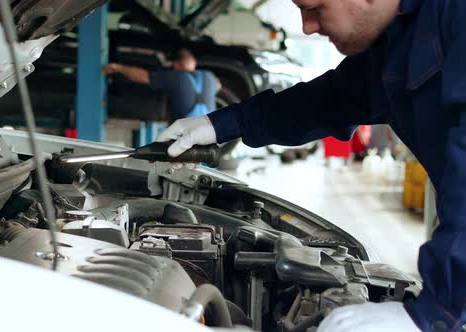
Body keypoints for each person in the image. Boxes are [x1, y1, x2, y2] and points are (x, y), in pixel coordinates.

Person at [155, 0, 466, 331]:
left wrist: (438, 311)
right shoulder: (396, 39)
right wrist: (221, 124)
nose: (308, 27)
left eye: (315, 8)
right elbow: (327, 101)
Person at [103, 49, 220, 121]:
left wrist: (118, 68)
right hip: (210, 131)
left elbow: (142, 76)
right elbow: (218, 85)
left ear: (177, 65)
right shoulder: (210, 76)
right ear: (193, 62)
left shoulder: (177, 77)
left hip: (190, 134)